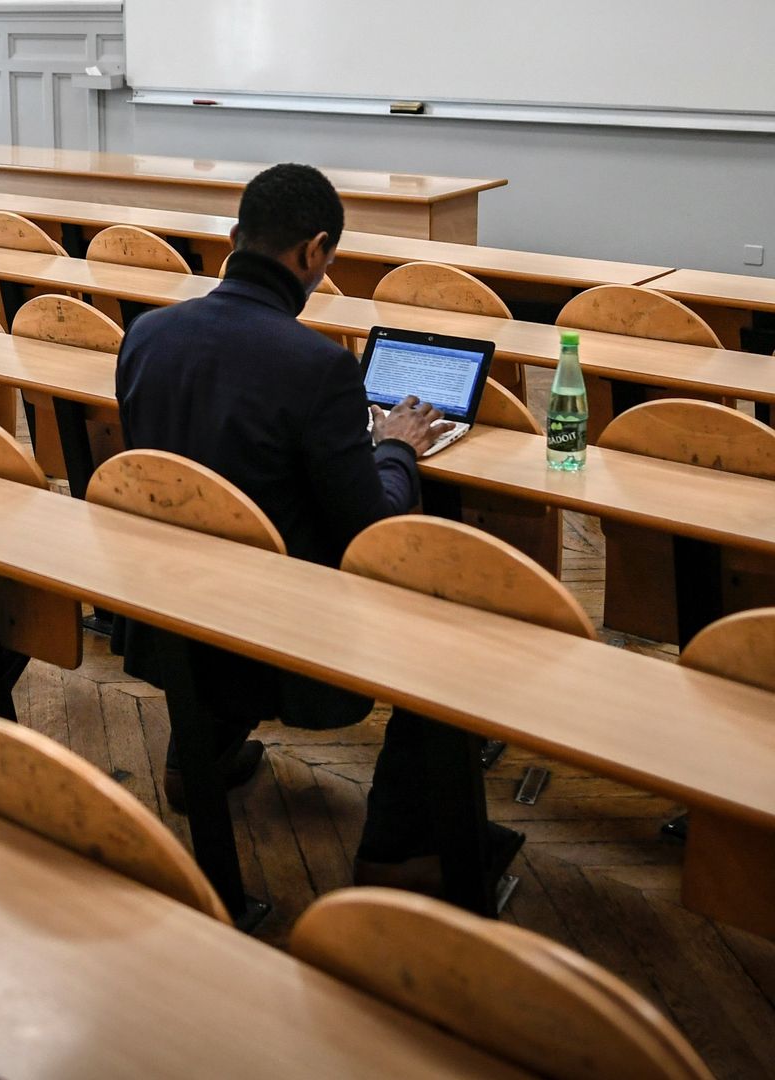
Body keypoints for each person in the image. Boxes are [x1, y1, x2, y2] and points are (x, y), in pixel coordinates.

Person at [115, 162, 509, 893]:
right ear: (314, 252)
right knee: (457, 628)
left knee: (222, 538)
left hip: (175, 603)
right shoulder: (319, 368)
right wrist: (394, 446)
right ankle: (402, 851)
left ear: (235, 237)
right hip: (288, 632)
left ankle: (193, 758)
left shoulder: (147, 334)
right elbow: (372, 532)